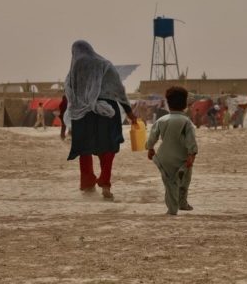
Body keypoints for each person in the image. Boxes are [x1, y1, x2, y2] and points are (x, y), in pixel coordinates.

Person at [64, 40, 137, 200]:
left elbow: (69, 95)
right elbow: (119, 90)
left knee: (85, 149)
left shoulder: (74, 71)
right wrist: (129, 112)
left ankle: (88, 183)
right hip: (107, 111)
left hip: (82, 113)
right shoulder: (105, 64)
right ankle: (105, 183)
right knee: (108, 146)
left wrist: (69, 124)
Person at [147, 86, 198, 215]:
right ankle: (183, 203)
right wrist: (192, 155)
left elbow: (152, 137)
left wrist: (150, 148)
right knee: (184, 181)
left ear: (168, 104)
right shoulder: (186, 122)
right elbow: (190, 140)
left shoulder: (161, 120)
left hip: (164, 158)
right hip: (182, 158)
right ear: (185, 104)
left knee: (169, 183)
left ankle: (172, 209)